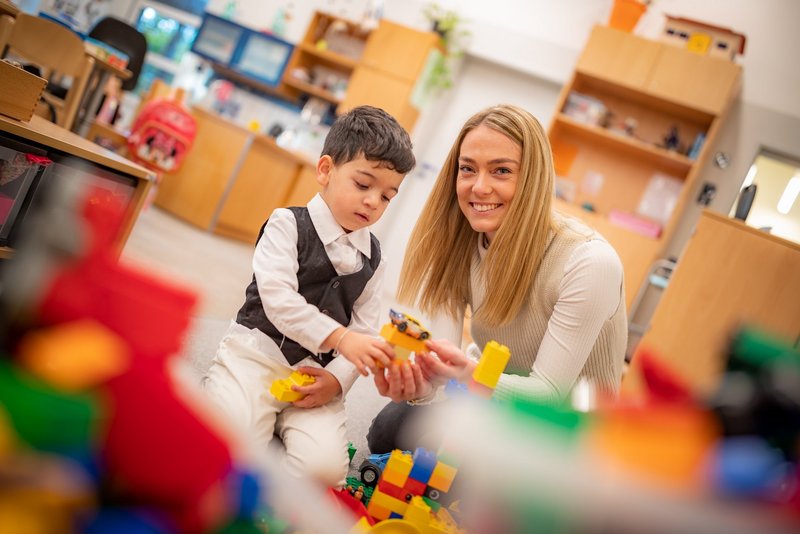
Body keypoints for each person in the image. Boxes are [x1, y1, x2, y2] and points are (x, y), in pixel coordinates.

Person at [367, 104, 627, 453]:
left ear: (533, 178)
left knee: (460, 475)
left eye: (501, 171)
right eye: (468, 169)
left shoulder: (589, 262)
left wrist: (464, 375)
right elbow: (445, 363)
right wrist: (422, 387)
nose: (479, 187)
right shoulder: (460, 241)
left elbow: (548, 393)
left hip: (564, 431)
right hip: (489, 395)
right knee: (389, 434)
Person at [202, 105, 415, 486]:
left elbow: (364, 330)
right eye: (363, 185)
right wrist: (340, 338)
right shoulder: (287, 223)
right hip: (256, 357)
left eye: (387, 197)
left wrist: (335, 382)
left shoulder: (375, 258)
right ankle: (223, 387)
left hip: (314, 376)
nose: (372, 202)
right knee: (232, 447)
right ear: (325, 171)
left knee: (325, 472)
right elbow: (279, 300)